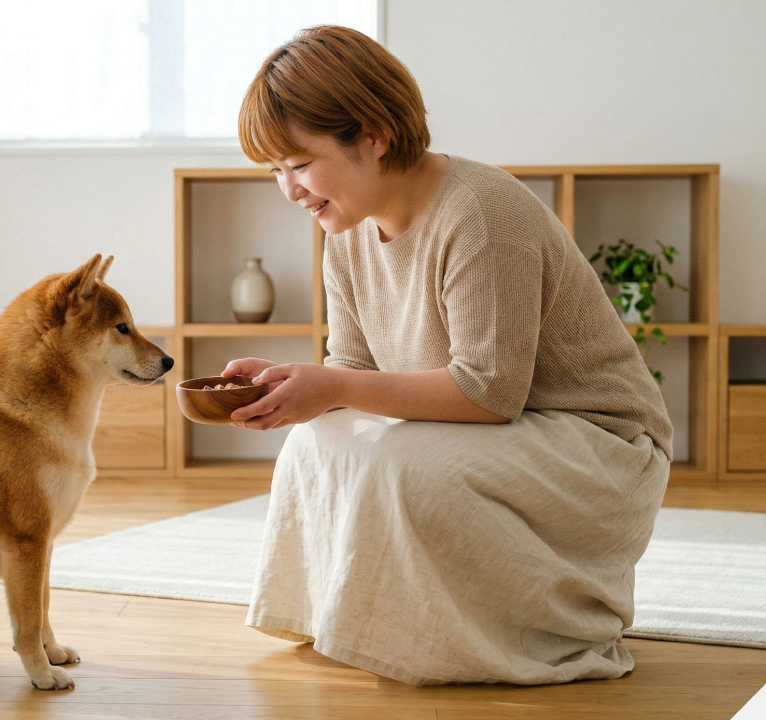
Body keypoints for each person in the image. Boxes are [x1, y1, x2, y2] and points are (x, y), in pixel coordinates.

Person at [222, 25, 674, 686]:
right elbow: (351, 370)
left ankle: (484, 635)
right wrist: (291, 382)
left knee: (402, 467)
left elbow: (490, 393)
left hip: (599, 446)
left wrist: (333, 387)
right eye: (274, 170)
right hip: (508, 430)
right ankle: (349, 617)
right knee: (316, 442)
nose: (288, 189)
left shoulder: (482, 216)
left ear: (372, 135)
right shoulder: (344, 230)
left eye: (298, 163)